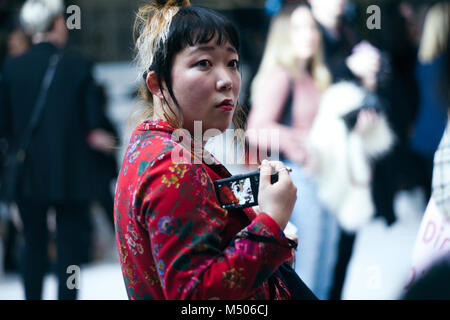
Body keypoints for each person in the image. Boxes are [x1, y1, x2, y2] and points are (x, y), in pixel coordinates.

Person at [114, 0, 300, 300]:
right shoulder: (172, 166)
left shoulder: (154, 145)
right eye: (203, 63)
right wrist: (271, 224)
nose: (227, 80)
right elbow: (195, 297)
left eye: (232, 63)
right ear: (158, 83)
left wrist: (269, 242)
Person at [0, 0, 110, 300]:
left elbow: (5, 126)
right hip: (70, 172)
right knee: (70, 247)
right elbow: (93, 122)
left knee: (33, 243)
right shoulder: (79, 65)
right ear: (58, 23)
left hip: (28, 173)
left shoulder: (11, 68)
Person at [245, 3, 337, 299]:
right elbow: (256, 128)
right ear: (284, 34)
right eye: (299, 28)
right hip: (301, 183)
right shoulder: (282, 74)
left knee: (324, 272)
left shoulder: (313, 73)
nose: (309, 34)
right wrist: (303, 142)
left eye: (312, 27)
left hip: (323, 180)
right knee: (307, 275)